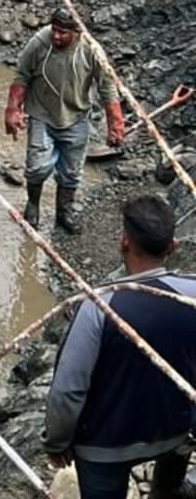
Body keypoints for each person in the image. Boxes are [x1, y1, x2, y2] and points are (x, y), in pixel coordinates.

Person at [43, 194, 196, 499]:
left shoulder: (98, 306)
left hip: (105, 445)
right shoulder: (191, 294)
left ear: (124, 242)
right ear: (173, 247)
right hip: (176, 429)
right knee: (170, 486)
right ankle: (167, 491)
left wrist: (56, 442)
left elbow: (69, 389)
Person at [5, 7, 124, 233]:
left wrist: (115, 124)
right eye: (54, 30)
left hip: (76, 117)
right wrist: (13, 110)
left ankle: (64, 212)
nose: (56, 36)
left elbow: (108, 87)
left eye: (63, 32)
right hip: (41, 114)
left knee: (71, 172)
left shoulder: (91, 50)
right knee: (37, 168)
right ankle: (32, 207)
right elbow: (21, 76)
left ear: (76, 32)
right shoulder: (40, 42)